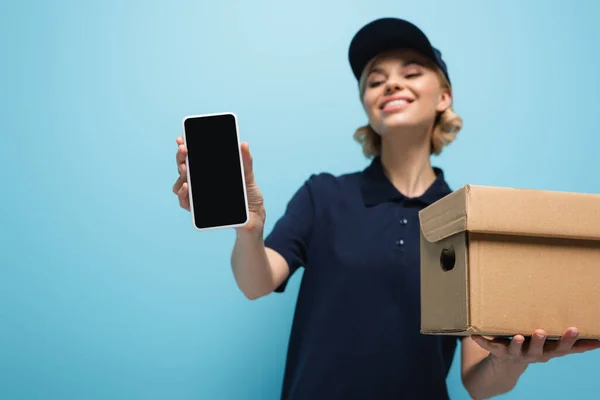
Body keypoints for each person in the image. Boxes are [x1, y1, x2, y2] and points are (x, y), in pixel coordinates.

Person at [172, 17, 600, 400]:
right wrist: (249, 230)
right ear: (368, 107)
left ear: (444, 97)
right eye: (375, 81)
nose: (391, 84)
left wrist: (513, 360)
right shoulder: (323, 195)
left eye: (411, 73)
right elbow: (255, 282)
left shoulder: (470, 220)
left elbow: (478, 382)